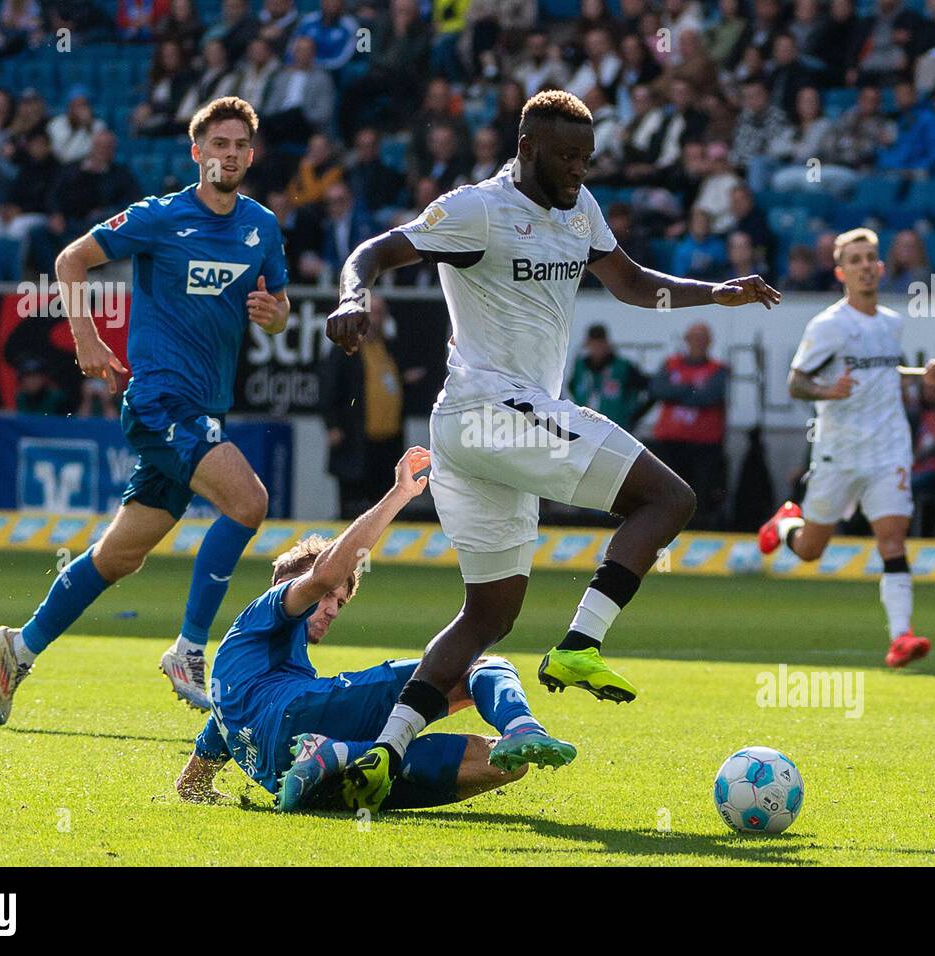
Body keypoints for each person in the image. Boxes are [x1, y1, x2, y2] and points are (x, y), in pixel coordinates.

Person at [324, 89, 780, 812]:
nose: (580, 171)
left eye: (588, 159)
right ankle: (580, 643)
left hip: (482, 433)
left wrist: (714, 294)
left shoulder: (580, 210)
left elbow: (633, 285)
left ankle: (385, 751)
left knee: (488, 616)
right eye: (568, 158)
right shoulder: (477, 208)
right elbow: (376, 250)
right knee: (668, 497)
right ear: (528, 148)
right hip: (488, 411)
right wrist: (353, 297)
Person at [0, 97, 291, 723]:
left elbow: (279, 304)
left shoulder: (261, 226)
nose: (229, 155)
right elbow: (71, 260)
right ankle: (188, 650)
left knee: (118, 557)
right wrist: (86, 336)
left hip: (204, 409)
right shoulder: (161, 217)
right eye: (219, 144)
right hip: (160, 403)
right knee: (249, 502)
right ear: (197, 153)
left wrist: (276, 316)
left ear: (251, 155)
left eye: (240, 146)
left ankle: (21, 645)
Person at [175, 448, 572, 811]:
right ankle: (522, 725)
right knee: (477, 665)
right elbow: (325, 571)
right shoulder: (266, 612)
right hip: (302, 715)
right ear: (288, 586)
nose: (331, 610)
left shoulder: (238, 687)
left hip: (304, 781)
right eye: (327, 595)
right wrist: (400, 494)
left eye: (340, 604)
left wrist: (210, 794)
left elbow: (190, 784)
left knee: (505, 763)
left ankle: (342, 757)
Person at [759, 228, 935, 668]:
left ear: (881, 268)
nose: (865, 266)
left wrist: (922, 376)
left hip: (889, 448)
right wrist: (829, 393)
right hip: (839, 451)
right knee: (810, 550)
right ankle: (786, 523)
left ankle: (901, 637)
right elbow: (796, 382)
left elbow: (884, 368)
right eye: (856, 260)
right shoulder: (829, 325)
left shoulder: (890, 322)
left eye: (871, 259)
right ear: (842, 271)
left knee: (892, 538)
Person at [319, 294, 407, 518]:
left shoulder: (389, 347)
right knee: (354, 507)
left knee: (383, 507)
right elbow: (329, 387)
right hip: (356, 441)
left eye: (381, 313)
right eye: (373, 313)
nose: (377, 319)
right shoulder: (346, 348)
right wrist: (333, 425)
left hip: (387, 445)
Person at [649, 322, 731, 529]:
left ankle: (698, 530)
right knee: (666, 491)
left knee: (701, 493)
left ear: (710, 342)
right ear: (686, 340)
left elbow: (708, 397)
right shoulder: (670, 364)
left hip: (704, 446)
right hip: (669, 442)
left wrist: (677, 392)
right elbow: (658, 390)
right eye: (694, 338)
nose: (698, 343)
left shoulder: (718, 370)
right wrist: (690, 389)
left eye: (702, 339)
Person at [566, 323, 651, 429]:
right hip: (585, 428)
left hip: (615, 428)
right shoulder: (580, 366)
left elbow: (650, 388)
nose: (597, 348)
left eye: (600, 343)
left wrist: (633, 416)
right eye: (593, 343)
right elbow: (572, 387)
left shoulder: (622, 367)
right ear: (587, 344)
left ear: (607, 343)